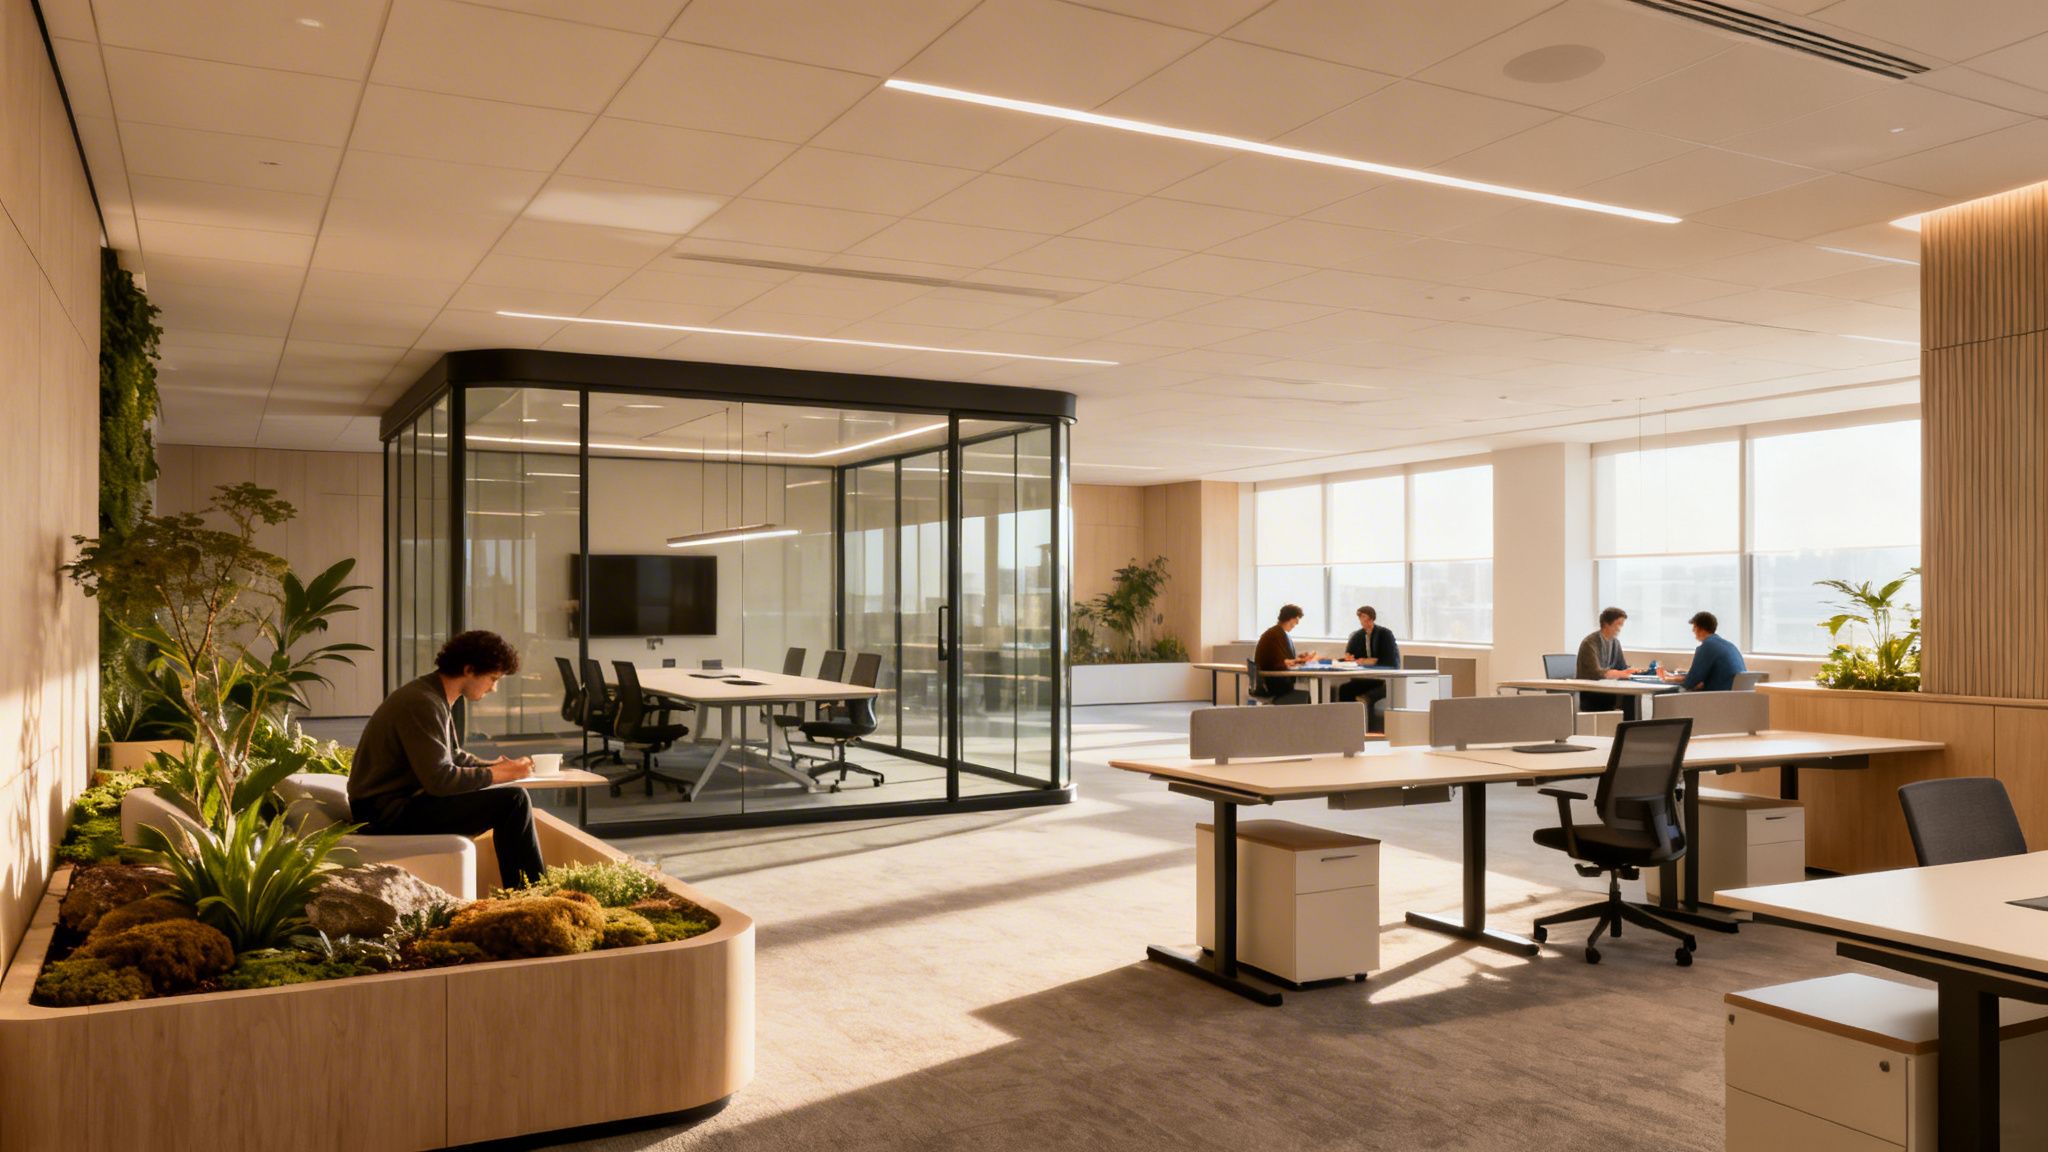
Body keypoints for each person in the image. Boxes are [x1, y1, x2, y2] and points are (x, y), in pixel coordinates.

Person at [349, 630, 546, 887]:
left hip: (396, 804)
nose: (494, 688)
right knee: (513, 801)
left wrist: (497, 766)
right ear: (469, 669)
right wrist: (499, 774)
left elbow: (454, 756)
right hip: (386, 814)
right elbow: (440, 780)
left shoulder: (432, 694)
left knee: (512, 799)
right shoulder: (422, 702)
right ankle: (533, 896)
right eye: (493, 678)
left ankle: (530, 894)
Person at [1336, 605, 1401, 731]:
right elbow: (1350, 654)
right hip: (1365, 677)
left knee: (1362, 695)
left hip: (1382, 679)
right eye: (1360, 617)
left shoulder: (1385, 634)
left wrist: (1370, 661)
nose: (1362, 620)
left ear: (1371, 618)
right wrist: (1350, 658)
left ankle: (1366, 730)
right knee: (1345, 689)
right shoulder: (1358, 635)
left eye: (1364, 616)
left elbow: (1389, 660)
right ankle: (1348, 728)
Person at [1576, 606, 1646, 719]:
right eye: (1618, 624)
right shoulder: (1590, 643)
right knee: (1628, 696)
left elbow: (1622, 667)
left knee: (1632, 695)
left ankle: (1629, 727)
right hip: (1593, 692)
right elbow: (1596, 673)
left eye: (1621, 625)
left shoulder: (1615, 642)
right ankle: (1625, 726)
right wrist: (1621, 673)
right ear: (1606, 624)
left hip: (1608, 688)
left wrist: (1631, 671)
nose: (1620, 629)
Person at [1660, 611, 1747, 692]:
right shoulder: (1730, 646)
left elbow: (1691, 682)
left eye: (1694, 627)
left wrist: (1670, 680)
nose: (1693, 630)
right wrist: (1672, 677)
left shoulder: (1707, 646)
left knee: (1657, 695)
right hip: (1734, 696)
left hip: (1718, 696)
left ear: (1700, 628)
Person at [1252, 604, 1316, 704]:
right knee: (1306, 696)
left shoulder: (1278, 633)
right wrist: (1298, 661)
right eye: (1296, 620)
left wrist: (1298, 659)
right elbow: (1278, 663)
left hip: (1272, 681)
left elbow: (1280, 660)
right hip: (1273, 685)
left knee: (1306, 695)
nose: (1297, 623)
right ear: (1290, 618)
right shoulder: (1275, 634)